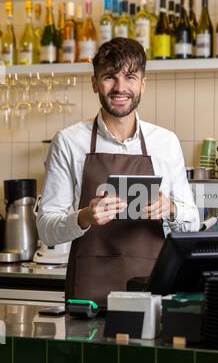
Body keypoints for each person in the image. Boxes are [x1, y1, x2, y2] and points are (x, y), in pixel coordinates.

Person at [37, 37, 200, 304]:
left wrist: (171, 208)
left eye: (130, 77)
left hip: (152, 293)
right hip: (88, 296)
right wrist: (85, 216)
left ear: (143, 85)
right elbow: (46, 229)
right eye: (110, 77)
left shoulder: (166, 142)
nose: (120, 87)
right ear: (94, 83)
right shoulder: (68, 141)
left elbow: (193, 221)